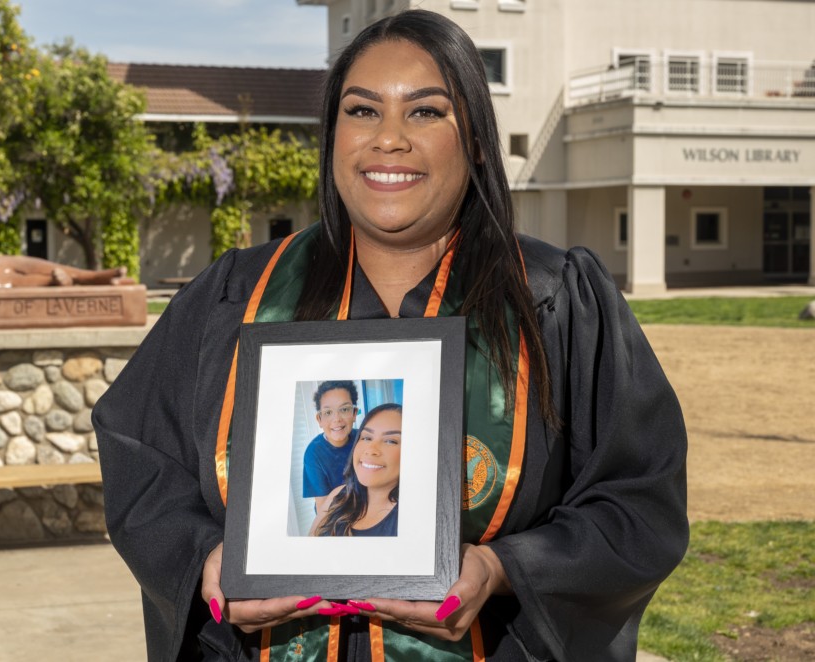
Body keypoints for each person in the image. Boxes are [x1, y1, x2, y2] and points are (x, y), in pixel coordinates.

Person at [94, 9, 688, 661]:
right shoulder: (237, 296)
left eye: (426, 112)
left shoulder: (554, 300)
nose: (389, 140)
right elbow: (143, 455)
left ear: (478, 141)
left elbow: (637, 502)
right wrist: (204, 558)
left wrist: (504, 567)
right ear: (331, 135)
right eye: (362, 111)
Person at [311, 403, 402, 537]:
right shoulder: (338, 496)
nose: (371, 449)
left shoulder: (410, 521)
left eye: (390, 441)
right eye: (366, 437)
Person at [303, 380, 360, 513]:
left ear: (354, 413)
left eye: (344, 409)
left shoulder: (362, 439)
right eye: (328, 412)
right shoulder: (313, 453)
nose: (337, 419)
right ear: (319, 419)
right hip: (333, 514)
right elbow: (323, 506)